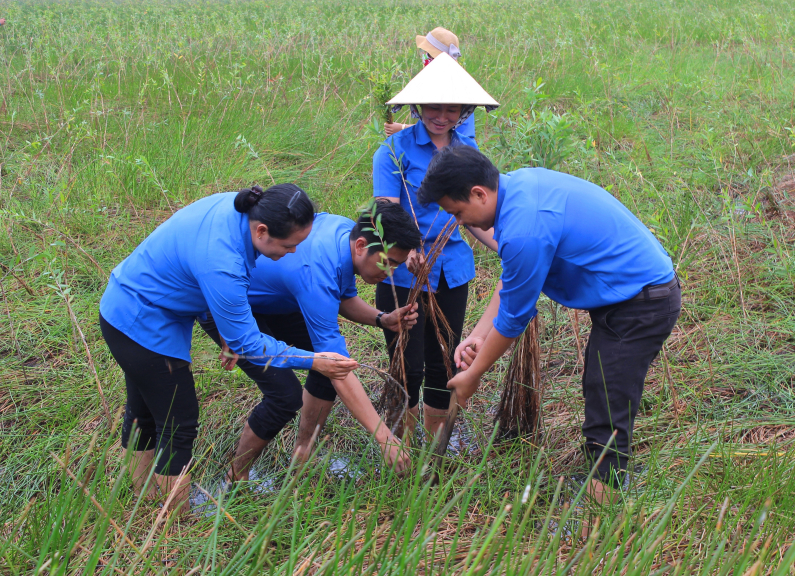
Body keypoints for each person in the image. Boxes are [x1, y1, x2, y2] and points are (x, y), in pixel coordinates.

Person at [417, 147, 682, 503]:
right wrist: (478, 336)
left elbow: (514, 318)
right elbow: (513, 283)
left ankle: (599, 515)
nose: (461, 223)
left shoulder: (525, 227)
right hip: (629, 297)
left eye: (459, 213)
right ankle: (600, 489)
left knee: (607, 403)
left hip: (641, 304)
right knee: (602, 388)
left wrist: (473, 375)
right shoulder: (519, 187)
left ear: (479, 193)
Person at [99, 184, 354, 516]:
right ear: (262, 231)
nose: (293, 252)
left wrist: (225, 332)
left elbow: (203, 281)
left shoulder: (240, 210)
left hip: (134, 305)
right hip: (139, 322)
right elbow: (248, 342)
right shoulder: (223, 263)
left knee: (147, 409)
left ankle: (146, 501)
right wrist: (314, 360)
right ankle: (175, 520)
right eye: (288, 245)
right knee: (178, 420)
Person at [198, 201, 421, 478]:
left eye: (397, 265)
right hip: (228, 309)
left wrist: (382, 318)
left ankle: (302, 455)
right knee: (284, 395)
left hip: (277, 301)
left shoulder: (344, 233)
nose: (391, 273)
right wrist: (384, 437)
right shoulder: (316, 271)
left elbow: (343, 296)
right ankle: (236, 476)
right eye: (388, 263)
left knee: (325, 369)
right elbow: (339, 368)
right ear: (362, 246)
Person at [373, 52, 499, 438]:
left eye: (451, 109)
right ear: (417, 106)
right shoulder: (392, 152)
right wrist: (406, 250)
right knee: (408, 364)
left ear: (462, 112)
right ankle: (402, 444)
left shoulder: (467, 155)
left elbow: (472, 216)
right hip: (402, 268)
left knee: (444, 361)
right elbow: (385, 215)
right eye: (432, 107)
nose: (440, 116)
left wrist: (505, 246)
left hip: (452, 268)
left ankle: (434, 446)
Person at [384, 27, 476, 143]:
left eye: (426, 53)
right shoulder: (436, 82)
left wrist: (402, 128)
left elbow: (446, 132)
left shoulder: (452, 86)